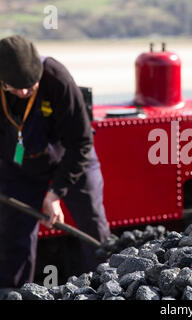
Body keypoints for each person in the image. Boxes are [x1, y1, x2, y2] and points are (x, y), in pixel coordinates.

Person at [0, 35, 111, 288]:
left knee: (92, 223)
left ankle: (106, 286)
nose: (25, 92)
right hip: (18, 164)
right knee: (13, 234)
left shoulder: (57, 78)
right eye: (16, 87)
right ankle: (14, 292)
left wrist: (55, 193)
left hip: (70, 158)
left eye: (31, 85)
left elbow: (81, 143)